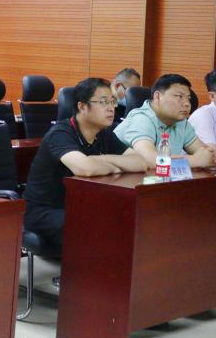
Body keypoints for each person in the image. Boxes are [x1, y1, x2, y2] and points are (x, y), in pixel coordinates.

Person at [24, 78, 148, 254]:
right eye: (103, 102)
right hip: (44, 211)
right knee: (98, 225)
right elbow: (86, 169)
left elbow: (140, 162)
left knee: (128, 217)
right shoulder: (60, 133)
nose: (111, 108)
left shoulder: (104, 133)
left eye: (112, 101)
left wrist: (102, 159)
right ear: (82, 107)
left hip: (81, 205)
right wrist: (114, 164)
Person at [114, 73, 216, 168]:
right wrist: (194, 161)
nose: (187, 103)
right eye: (179, 97)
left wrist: (208, 155)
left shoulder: (180, 121)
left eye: (188, 98)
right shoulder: (141, 119)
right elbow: (149, 160)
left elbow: (204, 152)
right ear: (157, 96)